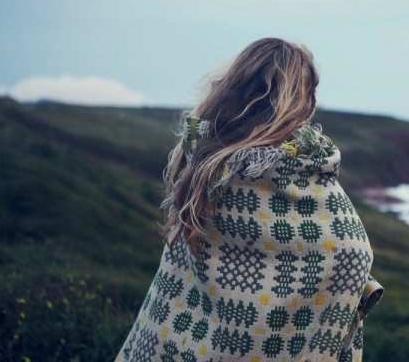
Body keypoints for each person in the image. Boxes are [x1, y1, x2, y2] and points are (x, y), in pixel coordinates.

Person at [116, 38, 384, 362]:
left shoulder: (199, 162)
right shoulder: (304, 171)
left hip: (175, 341)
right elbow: (353, 251)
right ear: (300, 100)